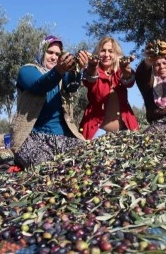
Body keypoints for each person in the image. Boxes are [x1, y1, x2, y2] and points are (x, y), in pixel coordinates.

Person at [10, 35, 88, 169]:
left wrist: (78, 69)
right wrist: (59, 70)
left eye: (58, 54)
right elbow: (40, 86)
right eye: (50, 52)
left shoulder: (62, 76)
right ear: (41, 52)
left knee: (89, 156)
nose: (54, 57)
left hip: (62, 138)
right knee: (48, 167)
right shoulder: (27, 71)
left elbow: (72, 86)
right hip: (31, 139)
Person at [79, 36, 139, 139]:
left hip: (124, 131)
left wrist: (125, 70)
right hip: (97, 132)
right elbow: (90, 79)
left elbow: (129, 82)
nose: (106, 54)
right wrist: (92, 66)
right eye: (103, 51)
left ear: (116, 54)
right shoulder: (93, 71)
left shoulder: (120, 72)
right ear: (98, 53)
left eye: (110, 51)